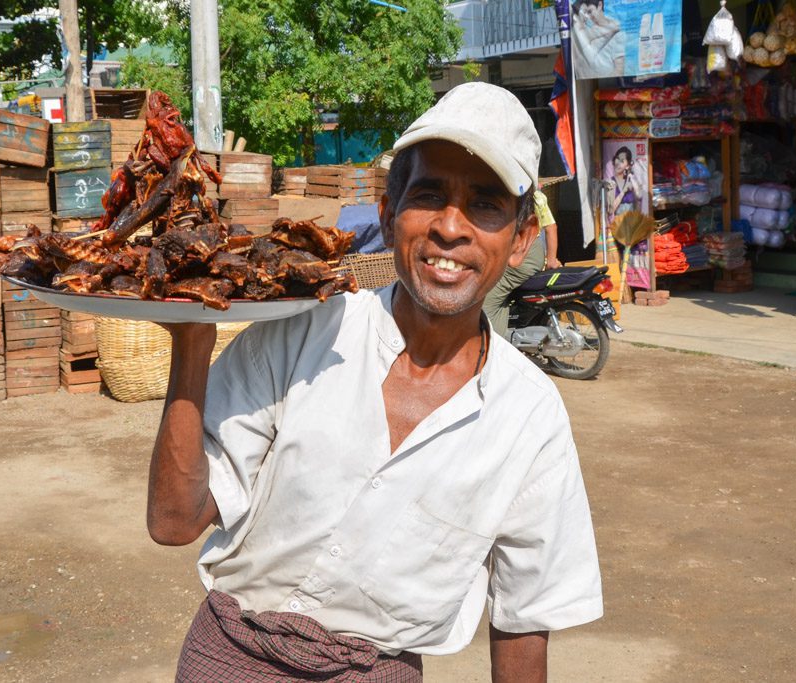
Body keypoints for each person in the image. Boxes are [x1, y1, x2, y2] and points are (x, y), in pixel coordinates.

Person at [147, 82, 603, 682]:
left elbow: (523, 617)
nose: (450, 227)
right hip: (231, 659)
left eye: (485, 205)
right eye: (429, 195)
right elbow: (175, 522)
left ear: (520, 239)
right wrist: (192, 341)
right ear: (388, 218)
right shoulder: (304, 334)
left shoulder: (529, 416)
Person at [482, 187, 561, 339]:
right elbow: (551, 228)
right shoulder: (537, 196)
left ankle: (491, 346)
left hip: (522, 257)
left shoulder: (511, 194)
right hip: (534, 254)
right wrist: (551, 259)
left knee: (488, 298)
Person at [571, 0, 626, 78]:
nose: (588, 17)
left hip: (607, 82)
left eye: (590, 11)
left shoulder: (618, 32)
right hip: (588, 81)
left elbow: (619, 70)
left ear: (600, 5)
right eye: (586, 13)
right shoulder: (587, 32)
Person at [607, 146, 643, 222]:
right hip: (618, 225)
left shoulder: (632, 180)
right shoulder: (611, 183)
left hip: (632, 223)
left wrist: (635, 191)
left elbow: (638, 206)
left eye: (622, 161)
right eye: (617, 159)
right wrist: (623, 191)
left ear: (628, 166)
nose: (618, 163)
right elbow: (610, 210)